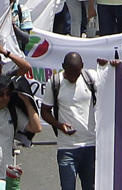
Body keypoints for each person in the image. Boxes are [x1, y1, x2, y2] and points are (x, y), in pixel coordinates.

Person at [42, 51, 99, 190]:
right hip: (67, 148)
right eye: (70, 74)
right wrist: (59, 125)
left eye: (76, 73)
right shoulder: (55, 82)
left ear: (82, 67)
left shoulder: (91, 78)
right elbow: (45, 111)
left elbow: (112, 84)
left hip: (90, 146)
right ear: (63, 67)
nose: (73, 77)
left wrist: (112, 66)